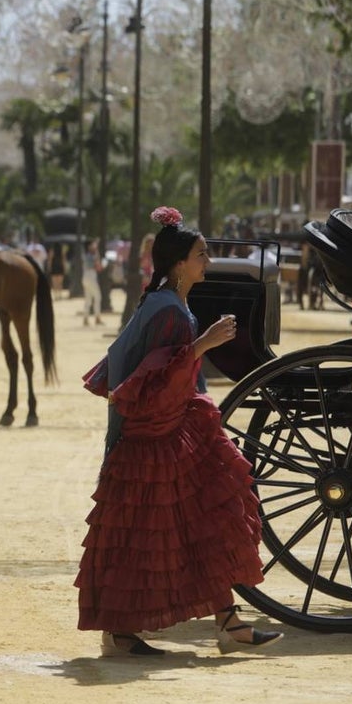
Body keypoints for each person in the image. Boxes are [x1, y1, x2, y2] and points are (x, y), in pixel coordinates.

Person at [77, 206, 284, 657]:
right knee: (150, 535)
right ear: (178, 263)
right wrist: (203, 345)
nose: (207, 260)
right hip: (157, 440)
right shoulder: (170, 311)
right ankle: (123, 631)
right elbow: (152, 380)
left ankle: (227, 622)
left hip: (171, 433)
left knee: (205, 522)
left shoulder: (166, 304)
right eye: (201, 254)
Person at [82, 239, 104, 326]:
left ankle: (86, 318)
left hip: (86, 277)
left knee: (88, 299)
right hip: (91, 276)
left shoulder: (87, 255)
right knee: (98, 297)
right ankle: (97, 318)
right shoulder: (91, 256)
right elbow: (98, 266)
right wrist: (97, 250)